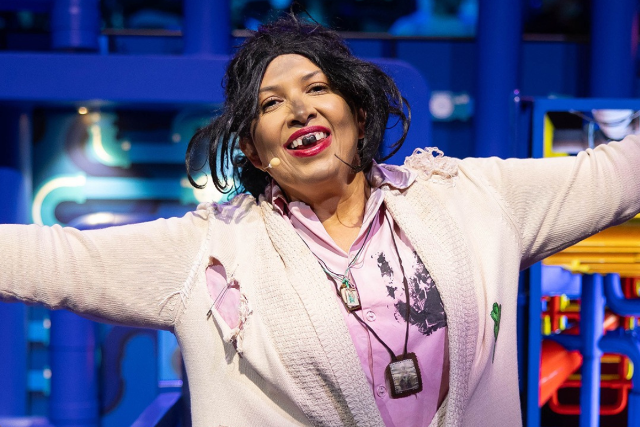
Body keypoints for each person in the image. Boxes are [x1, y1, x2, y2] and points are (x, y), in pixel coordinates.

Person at [1, 14, 640, 427]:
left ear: (356, 112)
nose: (299, 110)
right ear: (255, 152)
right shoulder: (211, 248)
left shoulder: (471, 198)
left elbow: (617, 174)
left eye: (316, 89)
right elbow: (57, 259)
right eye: (270, 105)